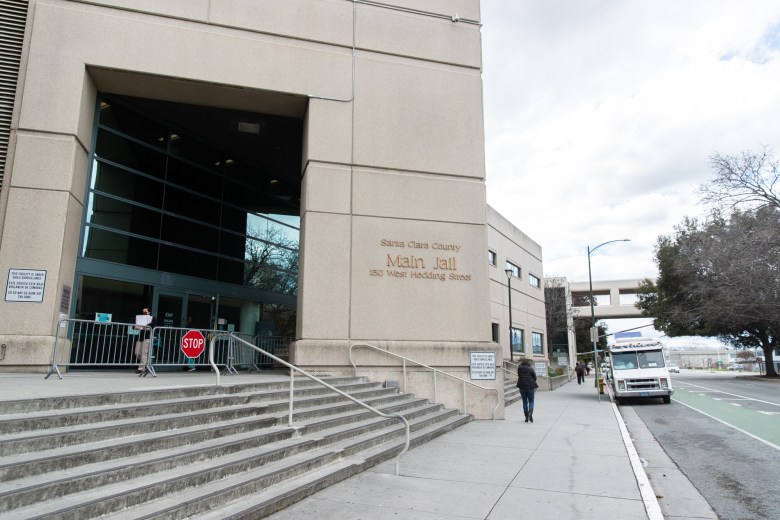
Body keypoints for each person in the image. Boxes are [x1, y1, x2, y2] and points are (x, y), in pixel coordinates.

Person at [134, 307, 156, 374]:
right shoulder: (140, 318)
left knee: (144, 353)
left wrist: (146, 326)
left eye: (145, 312)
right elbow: (134, 326)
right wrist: (136, 326)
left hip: (147, 337)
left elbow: (153, 324)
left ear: (149, 312)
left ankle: (141, 368)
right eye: (143, 312)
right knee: (137, 353)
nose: (144, 313)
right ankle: (144, 364)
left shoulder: (152, 318)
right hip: (140, 337)